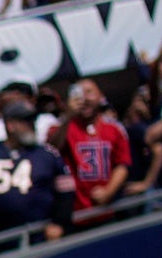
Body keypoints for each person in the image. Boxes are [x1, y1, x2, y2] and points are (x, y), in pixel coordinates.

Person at [0, 102, 68, 243]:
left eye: (33, 121)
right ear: (11, 125)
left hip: (39, 238)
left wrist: (59, 223)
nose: (32, 125)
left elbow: (66, 193)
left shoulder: (48, 155)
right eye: (26, 121)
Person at [57, 81, 134, 218]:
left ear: (101, 97)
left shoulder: (114, 129)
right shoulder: (65, 128)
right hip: (76, 213)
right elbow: (52, 149)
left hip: (107, 210)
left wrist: (108, 191)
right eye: (79, 94)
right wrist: (68, 115)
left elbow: (122, 164)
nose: (85, 99)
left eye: (89, 92)